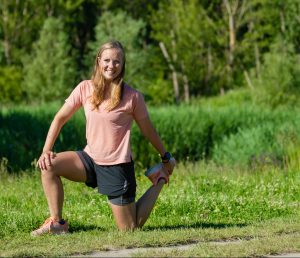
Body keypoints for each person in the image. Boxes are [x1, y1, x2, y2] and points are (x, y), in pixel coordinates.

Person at [31, 40, 176, 236]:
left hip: (117, 166)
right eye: (107, 60)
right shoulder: (84, 88)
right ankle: (57, 223)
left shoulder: (133, 97)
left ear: (123, 64)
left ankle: (159, 179)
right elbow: (60, 118)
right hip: (89, 159)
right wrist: (46, 150)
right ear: (99, 61)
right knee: (48, 165)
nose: (111, 66)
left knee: (130, 229)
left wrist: (165, 157)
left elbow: (149, 131)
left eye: (117, 61)